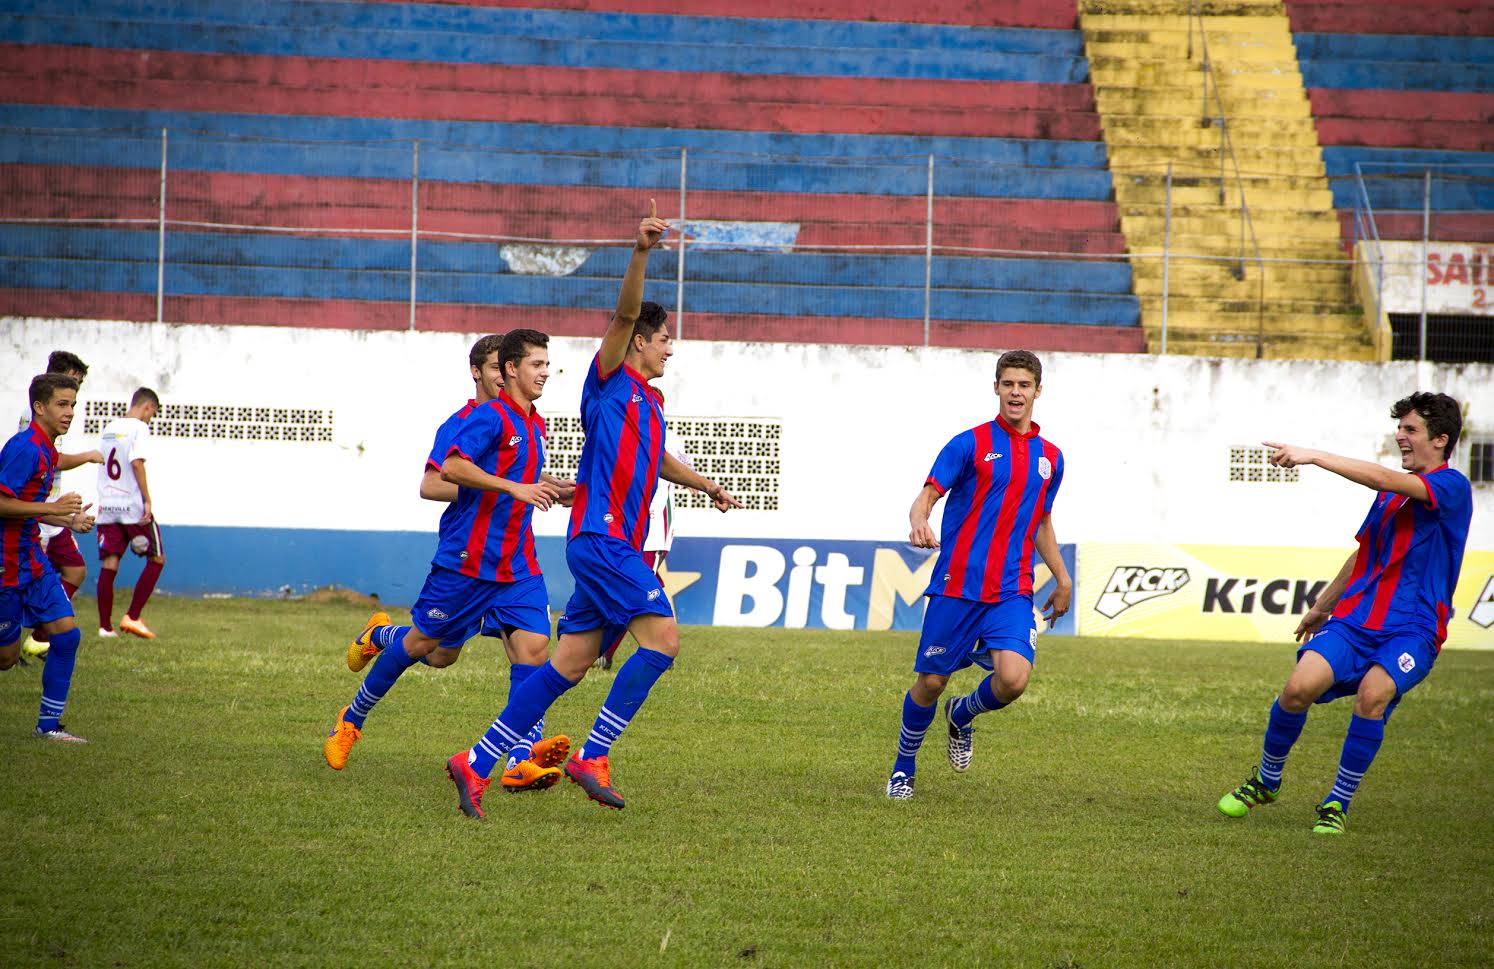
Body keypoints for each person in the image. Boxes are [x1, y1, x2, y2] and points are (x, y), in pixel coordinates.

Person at [446, 202, 740, 818]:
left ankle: (474, 762)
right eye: (664, 341)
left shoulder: (652, 404)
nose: (669, 350)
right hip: (602, 540)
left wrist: (708, 486)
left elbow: (660, 461)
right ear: (639, 341)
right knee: (663, 640)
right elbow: (626, 310)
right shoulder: (608, 380)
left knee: (567, 666)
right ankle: (593, 754)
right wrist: (641, 251)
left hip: (617, 548)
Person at [1217, 392, 1473, 835]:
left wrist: (1314, 455)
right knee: (1298, 688)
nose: (1401, 437)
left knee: (1372, 696)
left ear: (1441, 439)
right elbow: (1364, 555)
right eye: (1401, 429)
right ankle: (1266, 781)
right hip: (1356, 621)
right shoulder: (1391, 497)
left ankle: (1336, 802)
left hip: (1412, 630)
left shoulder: (1451, 486)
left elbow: (1382, 478)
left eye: (1411, 430)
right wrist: (1322, 606)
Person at [324, 329, 570, 789]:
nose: (540, 374)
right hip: (467, 560)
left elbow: (527, 475)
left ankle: (519, 759)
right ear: (488, 372)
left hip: (517, 565)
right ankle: (352, 716)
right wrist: (507, 487)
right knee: (432, 651)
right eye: (505, 366)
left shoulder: (533, 423)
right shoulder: (476, 420)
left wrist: (558, 489)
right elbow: (440, 477)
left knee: (533, 652)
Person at [886, 349, 1072, 800]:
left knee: (1013, 680)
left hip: (1012, 588)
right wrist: (919, 519)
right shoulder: (968, 443)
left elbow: (1041, 523)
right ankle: (903, 770)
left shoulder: (1051, 458)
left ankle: (963, 714)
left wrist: (1063, 579)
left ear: (1037, 392)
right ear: (996, 388)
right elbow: (926, 496)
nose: (1015, 392)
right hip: (958, 585)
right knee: (930, 682)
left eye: (1024, 385)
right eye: (1008, 384)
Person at [0, 374, 96, 741]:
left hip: (32, 561)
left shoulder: (48, 449)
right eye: (62, 404)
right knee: (6, 660)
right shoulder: (25, 448)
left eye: (72, 404)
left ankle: (49, 726)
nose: (70, 411)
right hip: (5, 564)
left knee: (67, 636)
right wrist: (52, 506)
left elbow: (29, 511)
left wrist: (69, 519)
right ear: (39, 407)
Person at [595, 390, 691, 671]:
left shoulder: (668, 439)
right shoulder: (627, 433)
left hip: (654, 527)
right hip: (627, 524)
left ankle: (607, 651)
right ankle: (659, 646)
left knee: (638, 588)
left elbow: (677, 477)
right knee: (643, 586)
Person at [17, 351, 102, 659]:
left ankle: (41, 636)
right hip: (37, 514)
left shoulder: (55, 419)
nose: (75, 390)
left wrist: (67, 516)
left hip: (54, 513)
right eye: (72, 381)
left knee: (75, 572)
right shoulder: (35, 422)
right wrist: (89, 456)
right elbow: (51, 461)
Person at [95, 387, 165, 639]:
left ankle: (105, 627)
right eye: (152, 413)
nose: (150, 418)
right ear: (147, 407)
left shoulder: (110, 428)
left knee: (110, 562)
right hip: (131, 506)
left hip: (107, 506)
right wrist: (147, 499)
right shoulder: (139, 428)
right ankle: (133, 616)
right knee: (157, 558)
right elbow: (136, 462)